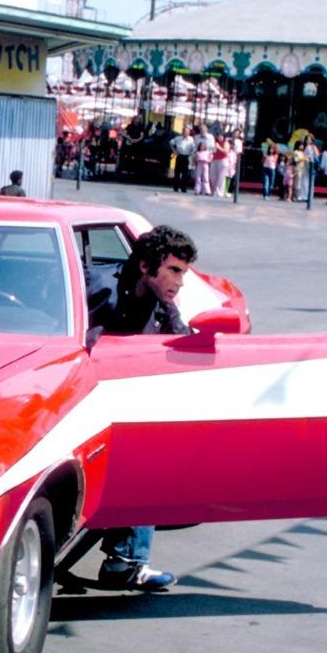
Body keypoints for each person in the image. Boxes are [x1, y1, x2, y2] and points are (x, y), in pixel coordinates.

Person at [86, 225, 198, 590]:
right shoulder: (96, 287)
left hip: (120, 405)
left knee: (152, 447)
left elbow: (181, 343)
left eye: (183, 272)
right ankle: (126, 559)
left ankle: (126, 560)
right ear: (148, 266)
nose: (180, 282)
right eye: (174, 271)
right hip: (74, 402)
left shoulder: (162, 303)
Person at [169, 126, 195, 193]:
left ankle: (183, 187)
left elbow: (194, 148)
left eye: (187, 132)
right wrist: (174, 150)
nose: (186, 133)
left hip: (187, 157)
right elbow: (171, 143)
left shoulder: (191, 139)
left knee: (185, 173)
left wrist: (193, 152)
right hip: (179, 156)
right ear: (182, 132)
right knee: (177, 172)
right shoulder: (178, 138)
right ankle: (176, 187)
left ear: (189, 133)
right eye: (185, 131)